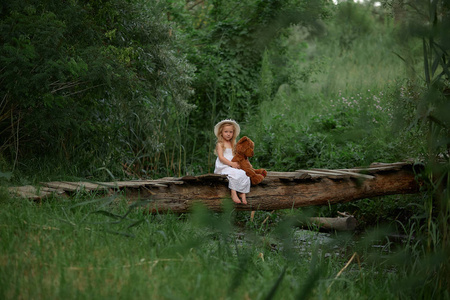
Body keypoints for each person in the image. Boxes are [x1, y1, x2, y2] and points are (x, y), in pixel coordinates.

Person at [214, 119, 251, 204]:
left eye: (230, 132)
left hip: (232, 166)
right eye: (226, 131)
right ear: (221, 133)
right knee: (234, 175)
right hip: (223, 166)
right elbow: (221, 157)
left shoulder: (233, 144)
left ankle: (242, 193)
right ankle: (233, 193)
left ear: (233, 133)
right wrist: (231, 164)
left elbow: (236, 156)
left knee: (245, 173)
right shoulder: (220, 144)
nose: (228, 134)